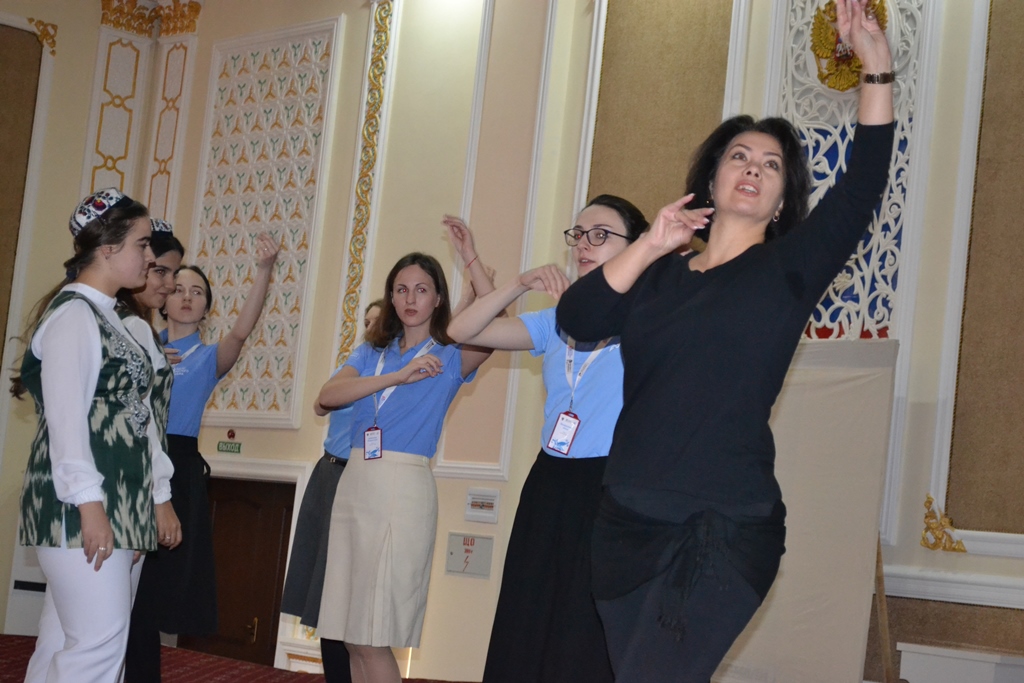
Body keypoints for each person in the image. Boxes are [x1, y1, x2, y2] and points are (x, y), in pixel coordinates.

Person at [555, 1, 894, 679]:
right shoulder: (658, 274)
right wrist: (650, 243)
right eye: (739, 156)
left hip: (724, 527)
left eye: (771, 164)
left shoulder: (789, 269)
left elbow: (861, 189)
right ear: (710, 179)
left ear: (781, 198)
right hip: (624, 524)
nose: (753, 168)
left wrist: (876, 68)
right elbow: (580, 319)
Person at [447, 196, 649, 683]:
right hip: (550, 480)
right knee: (529, 611)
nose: (584, 245)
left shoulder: (650, 318)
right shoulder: (557, 320)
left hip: (610, 484)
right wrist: (519, 282)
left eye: (601, 235)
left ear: (636, 246)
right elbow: (460, 329)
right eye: (578, 235)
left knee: (583, 624)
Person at [12, 188, 176, 683]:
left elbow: (137, 419)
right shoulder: (74, 315)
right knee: (98, 649)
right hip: (80, 505)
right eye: (142, 245)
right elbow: (66, 423)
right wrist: (90, 507)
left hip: (112, 500)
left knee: (65, 642)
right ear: (107, 248)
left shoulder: (109, 316)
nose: (149, 257)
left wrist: (148, 501)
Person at [315, 247, 494, 683]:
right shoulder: (371, 352)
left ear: (438, 298)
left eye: (421, 289)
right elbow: (327, 396)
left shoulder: (450, 354)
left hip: (403, 488)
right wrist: (398, 375)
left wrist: (472, 259)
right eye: (401, 289)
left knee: (374, 636)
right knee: (352, 636)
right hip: (356, 481)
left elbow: (495, 321)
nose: (410, 298)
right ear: (391, 297)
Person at [126, 234, 280, 683]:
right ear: (162, 299)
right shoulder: (140, 343)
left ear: (207, 309)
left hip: (177, 467)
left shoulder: (209, 356)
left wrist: (264, 270)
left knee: (151, 592)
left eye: (197, 292)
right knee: (121, 585)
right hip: (132, 459)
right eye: (178, 289)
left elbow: (242, 330)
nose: (187, 297)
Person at [281, 299, 383, 683]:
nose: (371, 328)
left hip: (362, 480)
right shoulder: (356, 362)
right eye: (367, 321)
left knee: (348, 597)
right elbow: (321, 403)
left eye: (378, 321)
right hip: (328, 475)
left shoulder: (396, 370)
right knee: (324, 595)